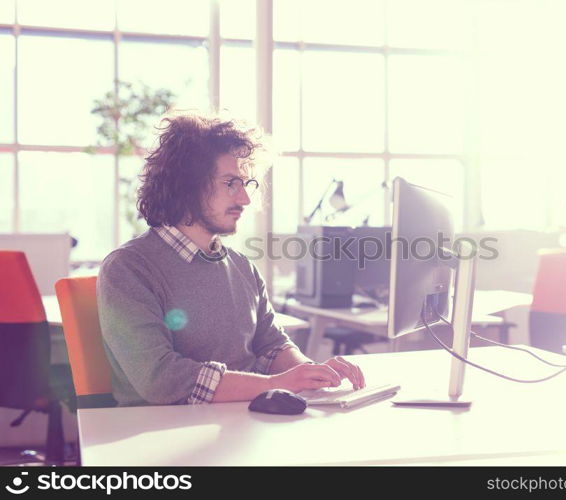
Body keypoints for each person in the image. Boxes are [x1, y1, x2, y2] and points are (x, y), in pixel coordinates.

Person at [97, 114, 365, 406]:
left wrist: (313, 373)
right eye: (230, 183)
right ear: (188, 185)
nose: (245, 199)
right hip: (160, 436)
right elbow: (161, 380)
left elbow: (272, 345)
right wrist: (276, 384)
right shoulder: (128, 268)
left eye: (245, 184)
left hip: (242, 425)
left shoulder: (242, 267)